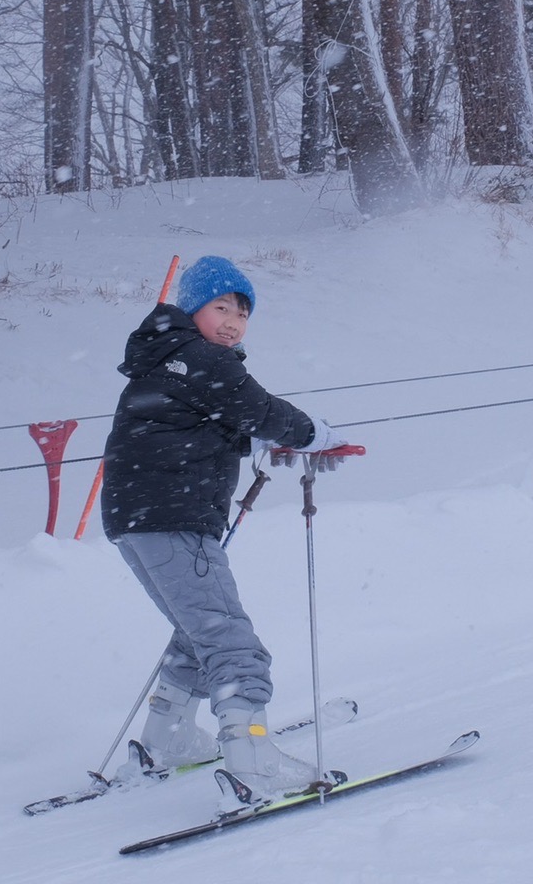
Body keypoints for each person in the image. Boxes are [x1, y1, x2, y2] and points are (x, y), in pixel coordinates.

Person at [100, 255, 350, 799]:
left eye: (243, 311)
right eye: (221, 307)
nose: (234, 320)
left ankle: (169, 737)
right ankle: (251, 756)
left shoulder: (164, 358)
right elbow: (257, 408)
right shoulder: (204, 359)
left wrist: (258, 441)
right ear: (192, 309)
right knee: (232, 642)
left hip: (135, 519)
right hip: (175, 518)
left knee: (197, 633)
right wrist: (316, 435)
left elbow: (197, 422)